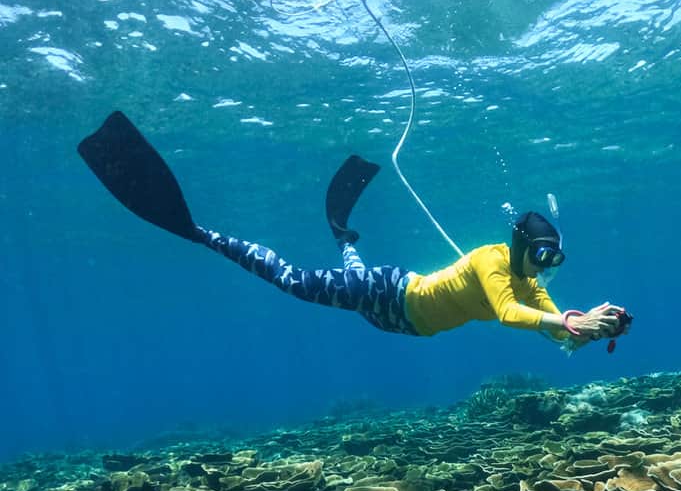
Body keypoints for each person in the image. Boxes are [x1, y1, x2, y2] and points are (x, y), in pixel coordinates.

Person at [77, 111, 631, 349]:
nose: (547, 267)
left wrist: (587, 330)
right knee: (294, 282)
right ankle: (204, 233)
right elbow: (512, 315)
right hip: (391, 294)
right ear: (520, 246)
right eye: (543, 255)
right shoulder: (492, 263)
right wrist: (568, 319)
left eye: (554, 259)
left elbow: (551, 330)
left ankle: (344, 238)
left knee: (354, 281)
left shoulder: (533, 287)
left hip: (396, 322)